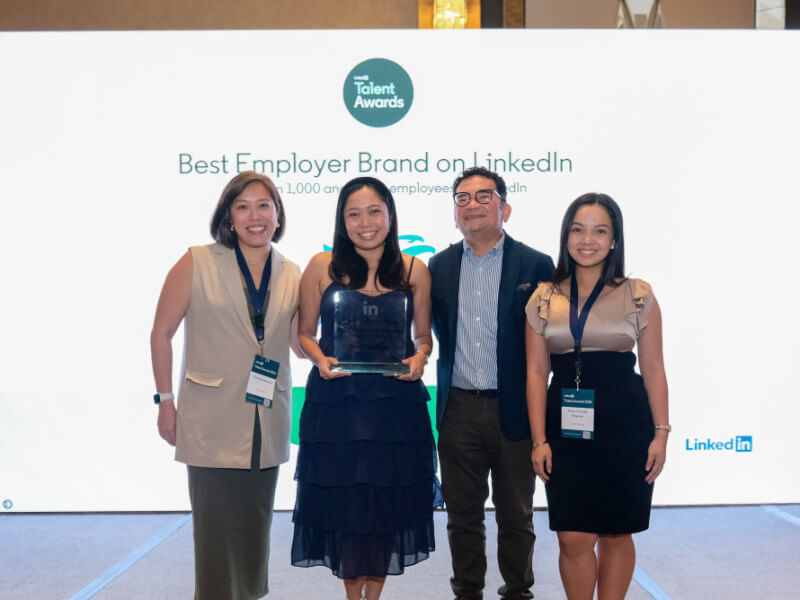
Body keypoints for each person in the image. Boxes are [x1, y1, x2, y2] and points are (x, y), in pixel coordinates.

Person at [150, 171, 301, 600]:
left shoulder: (293, 272)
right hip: (209, 419)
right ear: (229, 216)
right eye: (243, 206)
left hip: (265, 421)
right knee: (215, 539)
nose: (255, 216)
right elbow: (161, 333)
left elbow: (299, 343)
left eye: (264, 206)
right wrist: (165, 401)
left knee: (255, 534)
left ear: (277, 214)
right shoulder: (197, 261)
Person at [290, 177, 436, 600]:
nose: (365, 222)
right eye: (353, 214)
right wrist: (319, 359)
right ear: (342, 219)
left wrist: (420, 358)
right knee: (347, 508)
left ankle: (373, 598)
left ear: (390, 215)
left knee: (385, 507)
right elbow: (304, 334)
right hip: (338, 404)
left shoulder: (415, 270)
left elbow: (423, 337)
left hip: (396, 406)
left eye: (374, 211)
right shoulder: (322, 265)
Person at [525, 193, 669, 600]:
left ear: (614, 240)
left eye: (600, 231)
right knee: (572, 535)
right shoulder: (543, 297)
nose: (587, 240)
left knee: (616, 530)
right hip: (565, 427)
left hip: (626, 423)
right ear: (566, 236)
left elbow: (654, 367)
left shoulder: (638, 294)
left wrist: (661, 432)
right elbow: (536, 373)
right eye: (578, 229)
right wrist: (539, 440)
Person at [429, 167, 555, 600]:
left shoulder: (537, 265)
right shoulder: (439, 266)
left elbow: (548, 342)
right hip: (459, 409)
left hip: (516, 408)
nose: (472, 205)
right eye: (462, 198)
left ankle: (517, 591)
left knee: (516, 514)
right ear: (454, 214)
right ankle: (467, 591)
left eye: (484, 196)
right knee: (462, 515)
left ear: (505, 207)